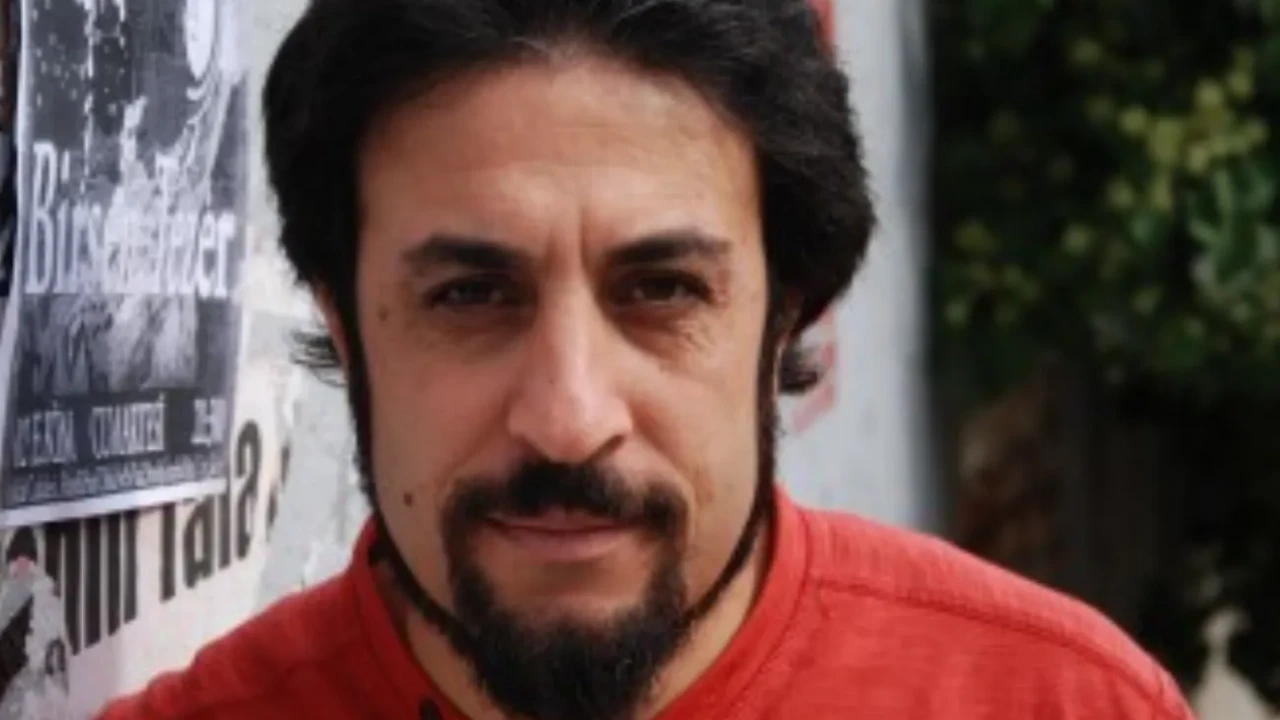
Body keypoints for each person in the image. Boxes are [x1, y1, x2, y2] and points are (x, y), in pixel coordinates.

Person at [100, 1, 1197, 719]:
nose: (569, 418)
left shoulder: (1061, 702)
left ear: (785, 319)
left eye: (663, 290)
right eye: (470, 295)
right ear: (342, 324)